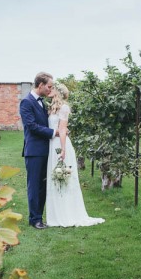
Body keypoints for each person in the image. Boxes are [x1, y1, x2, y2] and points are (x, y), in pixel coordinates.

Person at [46, 83, 105, 227]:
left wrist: (63, 149)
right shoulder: (52, 108)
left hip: (60, 145)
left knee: (63, 178)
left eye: (52, 88)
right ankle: (56, 213)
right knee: (55, 178)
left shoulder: (64, 108)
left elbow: (63, 129)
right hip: (52, 144)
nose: (49, 89)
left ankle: (67, 213)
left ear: (58, 92)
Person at [20, 72, 57, 229]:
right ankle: (34, 219)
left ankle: (39, 217)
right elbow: (32, 126)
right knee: (34, 186)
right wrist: (54, 133)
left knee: (42, 186)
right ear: (40, 85)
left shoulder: (42, 103)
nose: (50, 89)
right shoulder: (26, 102)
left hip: (45, 150)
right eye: (49, 86)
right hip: (34, 152)